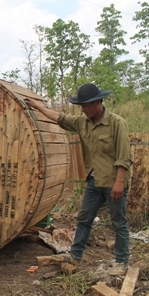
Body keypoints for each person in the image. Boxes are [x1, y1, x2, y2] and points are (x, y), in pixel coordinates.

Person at [25, 83, 132, 276]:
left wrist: (119, 182)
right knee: (84, 218)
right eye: (80, 106)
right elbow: (60, 118)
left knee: (119, 223)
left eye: (85, 105)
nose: (82, 109)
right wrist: (38, 106)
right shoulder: (83, 122)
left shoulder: (116, 123)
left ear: (98, 102)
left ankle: (122, 261)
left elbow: (124, 156)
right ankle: (75, 256)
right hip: (94, 180)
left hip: (113, 181)